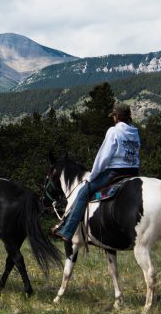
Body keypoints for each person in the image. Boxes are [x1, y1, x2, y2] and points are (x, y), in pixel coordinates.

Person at [52, 103, 141, 243]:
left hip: (115, 172)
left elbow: (103, 157)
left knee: (83, 193)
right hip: (133, 172)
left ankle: (67, 231)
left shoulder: (113, 131)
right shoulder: (135, 132)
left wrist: (92, 176)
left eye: (114, 116)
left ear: (116, 117)